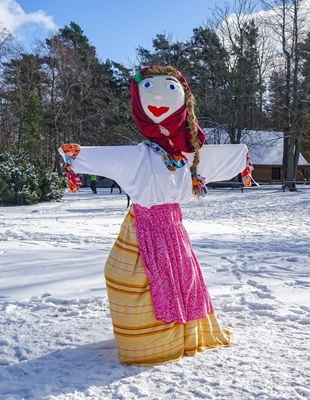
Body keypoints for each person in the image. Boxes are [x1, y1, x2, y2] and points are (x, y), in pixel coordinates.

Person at [58, 65, 248, 365]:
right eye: (148, 89)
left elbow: (215, 161)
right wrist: (80, 155)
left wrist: (241, 156)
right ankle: (155, 336)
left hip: (171, 227)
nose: (158, 96)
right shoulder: (139, 155)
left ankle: (171, 338)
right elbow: (110, 157)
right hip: (142, 226)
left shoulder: (187, 156)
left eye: (170, 89)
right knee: (127, 276)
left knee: (179, 281)